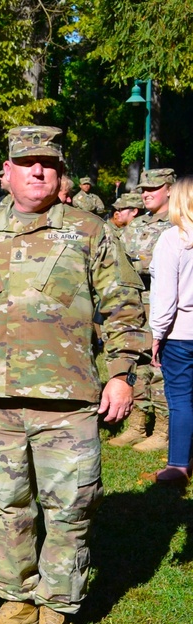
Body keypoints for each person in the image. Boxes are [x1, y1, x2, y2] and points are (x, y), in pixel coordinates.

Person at [0, 126, 145, 624]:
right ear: (7, 172)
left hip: (69, 398)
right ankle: (16, 599)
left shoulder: (90, 232)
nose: (37, 171)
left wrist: (121, 373)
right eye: (26, 163)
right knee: (7, 504)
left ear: (60, 174)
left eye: (48, 163)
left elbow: (124, 304)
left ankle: (56, 608)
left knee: (69, 505)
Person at [112, 168, 176, 451]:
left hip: (164, 304)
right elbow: (119, 259)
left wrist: (140, 263)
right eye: (144, 189)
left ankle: (163, 430)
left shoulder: (179, 223)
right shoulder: (137, 225)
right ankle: (136, 424)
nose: (146, 193)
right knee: (136, 360)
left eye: (153, 188)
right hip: (135, 303)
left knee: (160, 364)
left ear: (170, 189)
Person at [148, 176, 193, 484]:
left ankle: (177, 465)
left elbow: (166, 295)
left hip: (180, 333)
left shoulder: (172, 239)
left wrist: (155, 333)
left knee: (179, 399)